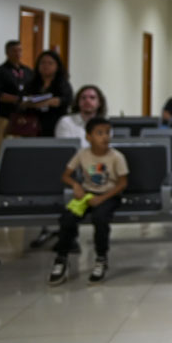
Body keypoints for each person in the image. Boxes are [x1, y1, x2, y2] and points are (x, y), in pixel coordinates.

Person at [48, 116, 128, 286]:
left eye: (107, 133)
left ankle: (101, 258)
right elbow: (65, 176)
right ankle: (61, 258)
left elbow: (122, 183)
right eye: (100, 133)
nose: (105, 137)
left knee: (100, 218)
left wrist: (102, 198)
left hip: (109, 195)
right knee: (67, 218)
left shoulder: (117, 157)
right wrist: (76, 185)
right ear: (88, 137)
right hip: (87, 194)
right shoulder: (82, 154)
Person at [0, 40, 33, 171]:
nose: (18, 53)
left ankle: (17, 172)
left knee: (19, 145)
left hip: (23, 116)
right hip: (4, 115)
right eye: (14, 51)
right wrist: (17, 99)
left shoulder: (28, 72)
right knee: (0, 145)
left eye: (20, 50)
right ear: (7, 53)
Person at [21, 50, 72, 137]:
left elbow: (64, 100)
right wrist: (47, 102)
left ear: (57, 66)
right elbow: (22, 101)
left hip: (55, 125)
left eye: (50, 63)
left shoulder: (63, 84)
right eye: (43, 63)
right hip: (32, 126)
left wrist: (37, 103)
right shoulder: (31, 84)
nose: (46, 66)